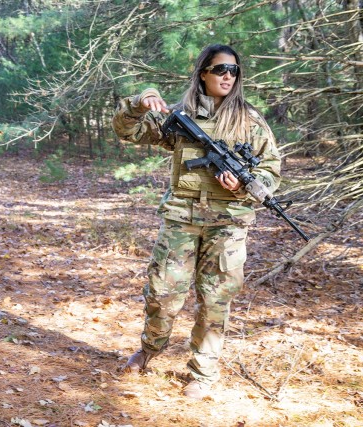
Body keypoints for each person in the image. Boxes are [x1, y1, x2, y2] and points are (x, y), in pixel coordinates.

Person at [112, 44, 281, 399]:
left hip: (228, 224)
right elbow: (128, 131)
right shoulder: (180, 115)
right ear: (203, 71)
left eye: (234, 71)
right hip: (181, 220)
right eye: (220, 69)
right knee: (162, 292)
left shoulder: (250, 120)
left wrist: (244, 186)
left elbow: (270, 170)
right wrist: (140, 101)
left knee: (216, 299)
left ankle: (202, 373)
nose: (228, 76)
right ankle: (149, 349)